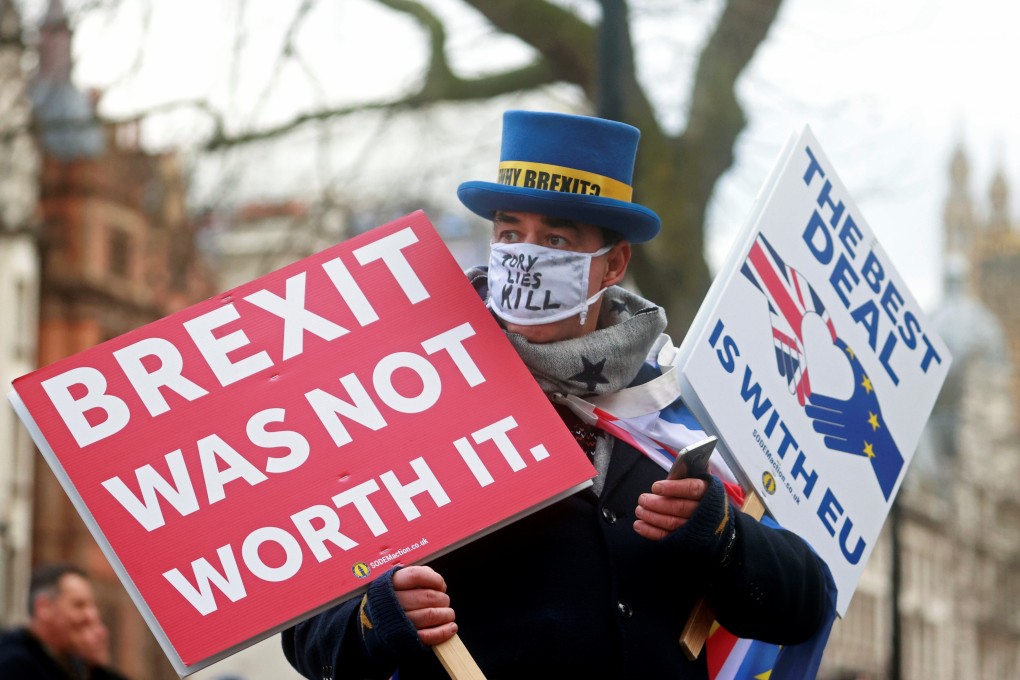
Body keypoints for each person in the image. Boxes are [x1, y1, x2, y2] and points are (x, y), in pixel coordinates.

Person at [283, 110, 828, 679]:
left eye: (556, 239)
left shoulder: (673, 407)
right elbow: (307, 631)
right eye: (511, 233)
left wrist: (723, 535)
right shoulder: (414, 399)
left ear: (612, 264)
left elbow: (804, 603)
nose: (527, 254)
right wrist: (379, 619)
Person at [0, 562, 129, 679]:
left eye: (92, 606)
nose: (92, 615)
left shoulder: (73, 661)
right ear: (44, 608)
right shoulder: (12, 664)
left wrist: (95, 668)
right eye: (79, 605)